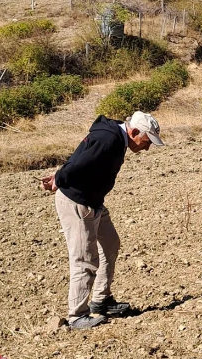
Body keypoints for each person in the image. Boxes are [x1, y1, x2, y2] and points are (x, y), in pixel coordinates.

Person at [40, 111, 164, 329]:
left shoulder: (114, 136)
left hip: (94, 201)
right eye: (146, 142)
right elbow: (79, 163)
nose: (147, 148)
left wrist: (60, 175)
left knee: (110, 244)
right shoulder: (108, 140)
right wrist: (59, 179)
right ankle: (77, 315)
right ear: (134, 132)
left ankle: (101, 300)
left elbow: (82, 157)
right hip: (79, 202)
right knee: (84, 259)